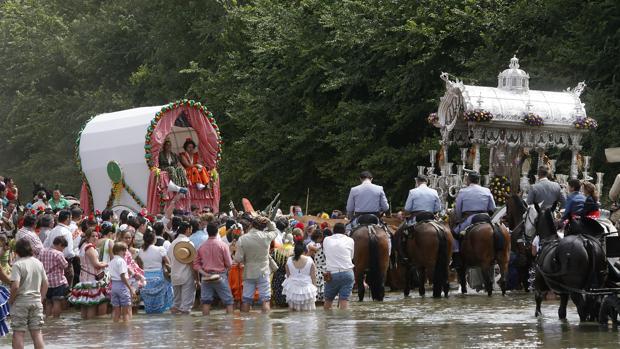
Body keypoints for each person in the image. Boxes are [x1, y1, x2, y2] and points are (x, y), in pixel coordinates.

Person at [233, 216, 278, 313]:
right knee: (265, 300)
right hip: (263, 271)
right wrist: (269, 221)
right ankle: (266, 324)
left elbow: (237, 259)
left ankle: (246, 325)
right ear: (263, 226)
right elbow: (275, 231)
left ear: (252, 225)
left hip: (249, 271)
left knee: (246, 300)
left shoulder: (243, 239)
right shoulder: (267, 236)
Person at [10, 239, 48, 349]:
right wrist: (41, 298)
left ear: (17, 251)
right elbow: (46, 284)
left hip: (21, 301)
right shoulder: (38, 263)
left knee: (18, 333)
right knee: (37, 333)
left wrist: (11, 300)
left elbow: (15, 286)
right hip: (36, 300)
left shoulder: (17, 265)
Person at [193, 223, 234, 315]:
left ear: (207, 232)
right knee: (229, 302)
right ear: (217, 232)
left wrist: (204, 273)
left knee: (206, 302)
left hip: (205, 277)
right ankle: (230, 326)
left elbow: (195, 265)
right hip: (221, 276)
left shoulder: (201, 246)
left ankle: (206, 327)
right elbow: (229, 264)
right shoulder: (223, 245)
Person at [68, 229, 108, 319]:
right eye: (93, 236)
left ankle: (84, 329)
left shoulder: (83, 246)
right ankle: (90, 328)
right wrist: (106, 264)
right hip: (91, 279)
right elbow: (96, 265)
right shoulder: (90, 247)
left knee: (85, 304)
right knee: (91, 305)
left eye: (96, 236)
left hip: (83, 279)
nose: (95, 238)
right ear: (87, 237)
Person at [136, 230, 173, 314]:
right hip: (158, 278)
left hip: (145, 279)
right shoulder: (160, 249)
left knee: (148, 308)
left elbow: (140, 266)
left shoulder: (140, 251)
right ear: (154, 239)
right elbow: (168, 263)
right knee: (160, 307)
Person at [168, 221, 197, 314]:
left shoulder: (172, 243)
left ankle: (175, 327)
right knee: (186, 307)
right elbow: (192, 263)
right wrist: (197, 278)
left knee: (176, 304)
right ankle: (185, 326)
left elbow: (169, 259)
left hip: (174, 276)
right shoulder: (188, 243)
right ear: (188, 229)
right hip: (187, 276)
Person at [453, 171, 496, 236]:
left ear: (468, 180)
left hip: (468, 220)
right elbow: (492, 208)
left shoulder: (463, 191)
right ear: (478, 180)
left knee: (455, 234)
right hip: (485, 218)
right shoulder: (487, 190)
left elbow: (458, 209)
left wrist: (459, 219)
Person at [323, 223, 354, 310]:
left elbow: (326, 254)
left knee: (328, 300)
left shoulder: (326, 240)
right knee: (344, 300)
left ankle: (328, 321)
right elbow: (351, 257)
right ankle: (345, 322)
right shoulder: (350, 240)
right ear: (345, 231)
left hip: (332, 274)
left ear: (333, 231)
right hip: (347, 273)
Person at [282, 237, 317, 311]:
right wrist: (314, 288)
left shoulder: (289, 260)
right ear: (304, 250)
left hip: (292, 289)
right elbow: (313, 277)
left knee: (292, 312)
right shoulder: (310, 260)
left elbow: (288, 276)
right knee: (308, 313)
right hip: (307, 289)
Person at [39, 236, 69, 318]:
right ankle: (56, 321)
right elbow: (65, 265)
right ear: (59, 244)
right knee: (57, 302)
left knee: (48, 302)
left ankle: (48, 319)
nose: (63, 249)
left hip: (45, 281)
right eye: (63, 247)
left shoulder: (42, 251)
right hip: (57, 282)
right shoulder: (58, 254)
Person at [44, 210, 76, 286]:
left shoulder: (53, 230)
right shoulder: (66, 232)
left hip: (51, 262)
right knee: (66, 287)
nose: (71, 219)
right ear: (67, 218)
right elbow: (69, 252)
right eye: (71, 217)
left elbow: (45, 245)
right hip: (64, 262)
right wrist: (75, 255)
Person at [108, 242, 134, 322]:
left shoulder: (111, 261)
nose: (125, 253)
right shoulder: (121, 261)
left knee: (116, 312)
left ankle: (115, 330)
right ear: (118, 251)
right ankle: (126, 331)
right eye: (124, 250)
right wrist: (130, 288)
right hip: (122, 286)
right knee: (125, 312)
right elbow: (122, 276)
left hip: (113, 287)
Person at [271, 233, 294, 307]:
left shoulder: (276, 250)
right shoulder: (293, 251)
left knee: (278, 303)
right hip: (289, 277)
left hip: (277, 277)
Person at [306, 229, 326, 302]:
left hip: (318, 269)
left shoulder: (315, 245)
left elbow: (308, 254)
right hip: (325, 269)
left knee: (318, 287)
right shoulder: (324, 245)